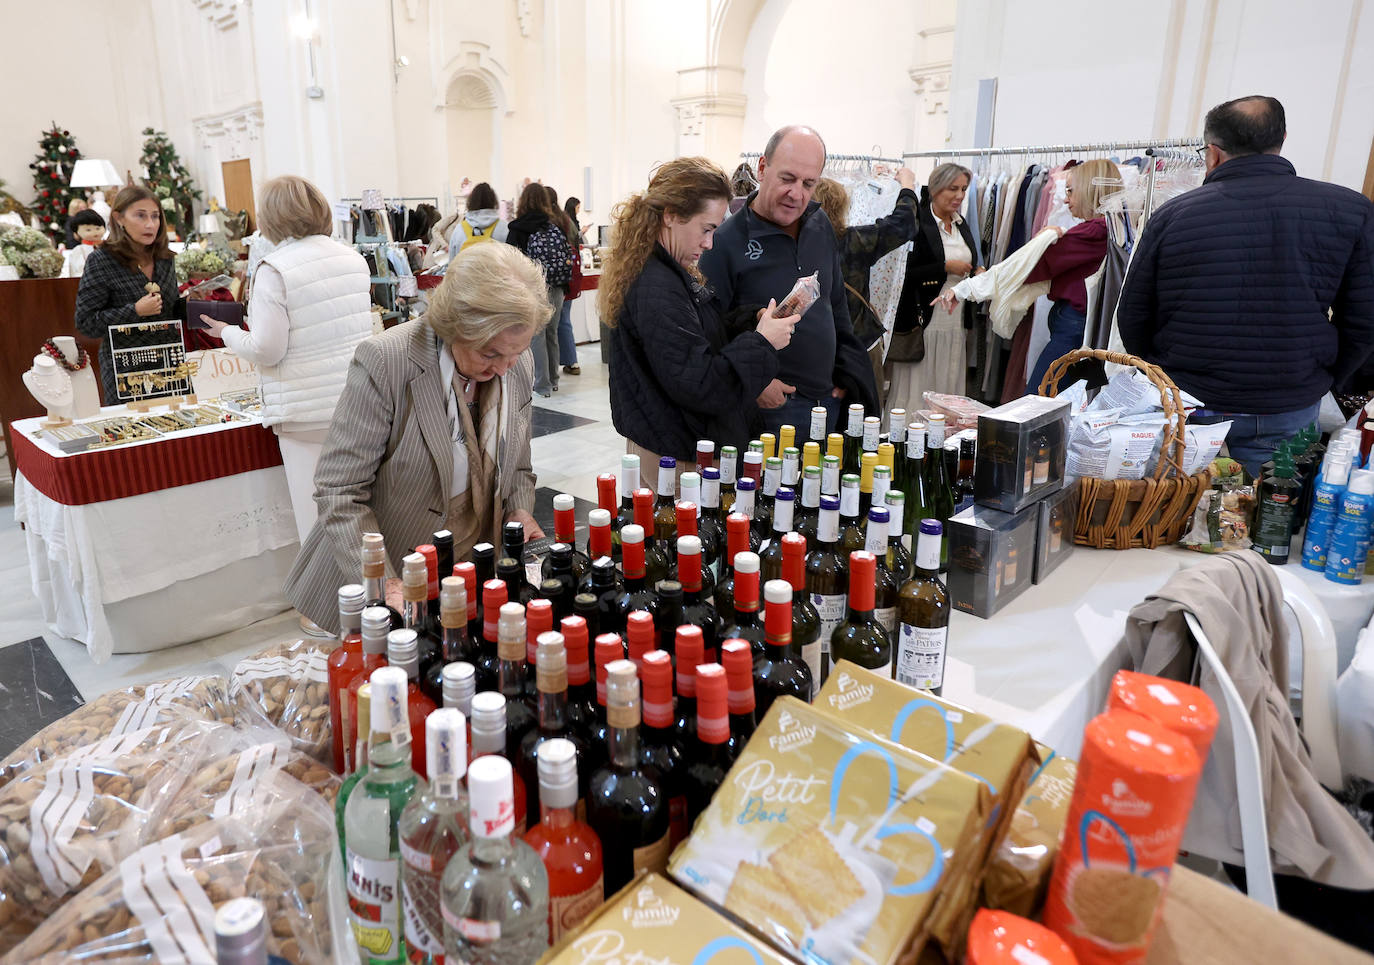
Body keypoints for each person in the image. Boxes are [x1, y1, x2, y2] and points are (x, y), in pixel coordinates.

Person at [283, 242, 547, 633]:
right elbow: (339, 491)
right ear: (457, 325)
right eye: (490, 354)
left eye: (516, 351)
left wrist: (520, 509)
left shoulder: (515, 362)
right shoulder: (387, 362)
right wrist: (386, 583)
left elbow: (520, 464)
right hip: (388, 570)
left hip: (467, 574)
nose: (506, 368)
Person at [1118, 95, 1374, 477]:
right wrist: (1320, 375)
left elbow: (1134, 314)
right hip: (1288, 399)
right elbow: (1365, 319)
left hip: (1189, 400)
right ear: (1283, 137)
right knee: (1267, 520)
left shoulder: (1174, 215)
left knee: (1175, 520)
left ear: (1213, 153)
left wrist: (1165, 373)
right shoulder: (1349, 210)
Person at [198, 175, 374, 549]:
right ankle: (369, 594)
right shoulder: (353, 259)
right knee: (358, 509)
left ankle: (324, 603)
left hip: (304, 412)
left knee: (316, 520)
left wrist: (228, 333)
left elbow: (267, 349)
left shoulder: (275, 269)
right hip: (358, 402)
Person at [603, 157, 794, 469]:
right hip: (679, 454)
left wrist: (752, 321)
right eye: (706, 229)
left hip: (677, 443)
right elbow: (701, 384)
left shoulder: (665, 271)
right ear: (671, 216)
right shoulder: (657, 285)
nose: (709, 243)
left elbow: (698, 331)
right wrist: (762, 343)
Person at [699, 125, 878, 436]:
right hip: (769, 410)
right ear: (763, 168)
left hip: (828, 404)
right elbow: (709, 332)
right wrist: (755, 383)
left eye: (809, 183)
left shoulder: (819, 223)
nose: (797, 194)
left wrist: (846, 375)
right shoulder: (724, 242)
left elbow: (836, 306)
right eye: (787, 178)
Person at [812, 167, 920, 405]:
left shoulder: (795, 246)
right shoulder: (854, 241)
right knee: (862, 425)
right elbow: (904, 223)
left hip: (813, 354)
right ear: (841, 207)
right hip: (858, 349)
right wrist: (907, 184)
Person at [74, 185, 183, 402]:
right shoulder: (102, 260)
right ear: (119, 218)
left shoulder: (165, 258)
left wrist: (191, 303)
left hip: (171, 366)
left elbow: (169, 311)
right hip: (125, 374)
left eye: (155, 216)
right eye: (140, 216)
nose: (150, 224)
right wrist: (134, 311)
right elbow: (86, 323)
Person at [889, 164, 982, 407]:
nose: (960, 196)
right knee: (919, 385)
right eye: (953, 188)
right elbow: (902, 273)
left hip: (956, 320)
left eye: (963, 189)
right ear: (936, 188)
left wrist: (976, 271)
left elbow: (968, 261)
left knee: (948, 380)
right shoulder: (918, 223)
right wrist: (944, 267)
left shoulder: (961, 224)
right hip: (924, 320)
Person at [506, 182, 572, 397]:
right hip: (557, 286)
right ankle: (553, 379)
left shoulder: (517, 228)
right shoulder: (554, 225)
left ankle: (541, 384)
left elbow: (511, 259)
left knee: (536, 334)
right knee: (552, 332)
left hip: (532, 287)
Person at [547, 186, 582, 376]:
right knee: (564, 321)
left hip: (549, 279)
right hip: (567, 276)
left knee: (549, 327)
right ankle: (571, 361)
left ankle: (550, 370)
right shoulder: (565, 219)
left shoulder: (546, 222)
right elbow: (577, 241)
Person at [448, 181, 508, 254]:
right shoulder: (505, 228)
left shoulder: (459, 230)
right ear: (494, 201)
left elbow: (452, 262)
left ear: (471, 202)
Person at [60, 208, 106, 278]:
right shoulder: (79, 251)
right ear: (76, 233)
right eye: (88, 230)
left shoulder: (109, 246)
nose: (95, 232)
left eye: (98, 228)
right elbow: (77, 273)